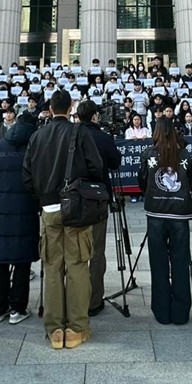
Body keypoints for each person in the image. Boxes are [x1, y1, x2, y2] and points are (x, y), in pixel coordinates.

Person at [22, 89, 105, 350]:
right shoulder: (79, 132)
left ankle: (55, 329)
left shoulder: (37, 135)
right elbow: (97, 167)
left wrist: (44, 194)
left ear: (50, 107)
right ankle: (77, 328)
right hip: (76, 208)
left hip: (48, 209)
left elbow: (26, 175)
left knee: (53, 267)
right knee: (78, 265)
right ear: (71, 106)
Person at [0, 109, 39, 324]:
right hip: (26, 207)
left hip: (2, 209)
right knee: (23, 260)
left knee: (0, 259)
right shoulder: (34, 147)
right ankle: (17, 309)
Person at [138, 117, 192, 325]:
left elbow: (142, 182)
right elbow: (191, 180)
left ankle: (162, 311)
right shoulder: (184, 154)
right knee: (180, 261)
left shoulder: (149, 154)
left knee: (159, 262)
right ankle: (181, 312)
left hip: (156, 213)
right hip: (180, 213)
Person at [78, 100, 121, 318]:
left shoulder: (71, 135)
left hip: (72, 200)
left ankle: (75, 298)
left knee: (75, 252)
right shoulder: (102, 137)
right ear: (94, 116)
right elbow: (116, 162)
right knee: (96, 251)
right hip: (97, 199)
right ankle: (94, 301)